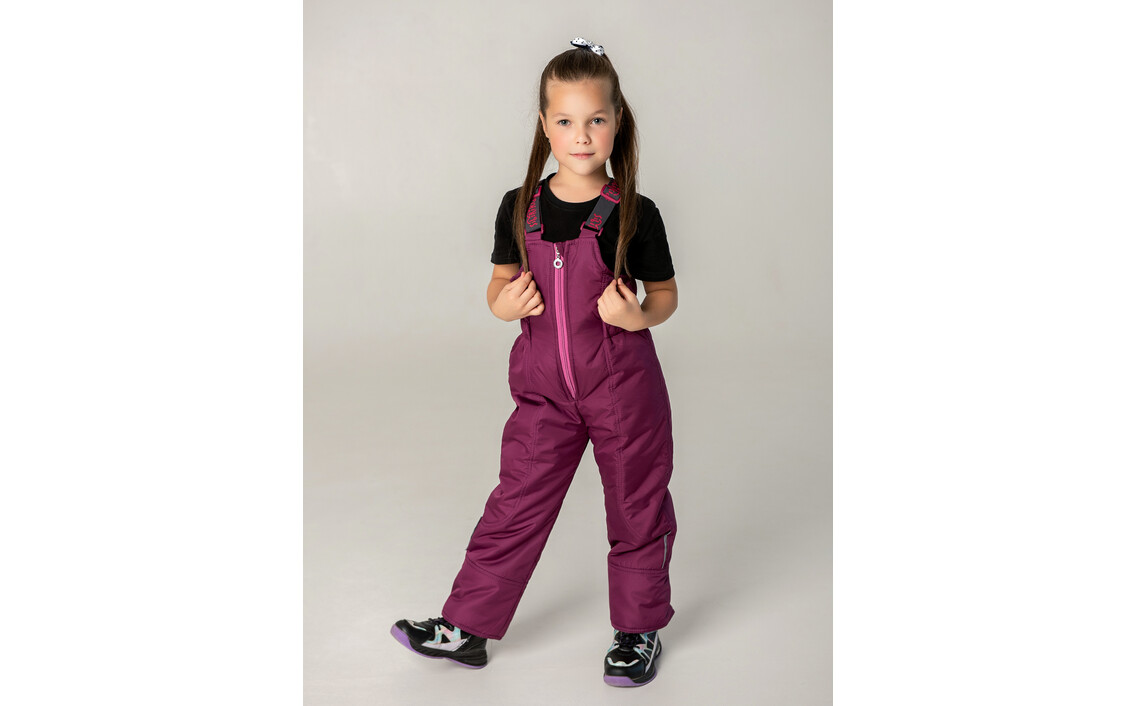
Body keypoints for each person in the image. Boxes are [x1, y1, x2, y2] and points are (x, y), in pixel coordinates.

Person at [390, 37, 679, 688]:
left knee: (636, 505)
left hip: (623, 392)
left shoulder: (635, 213)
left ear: (618, 122)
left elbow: (664, 295)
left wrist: (638, 316)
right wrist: (503, 304)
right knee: (515, 501)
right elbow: (498, 285)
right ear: (545, 124)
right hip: (544, 393)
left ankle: (639, 631)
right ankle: (466, 628)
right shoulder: (518, 207)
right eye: (566, 120)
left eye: (596, 119)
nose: (582, 136)